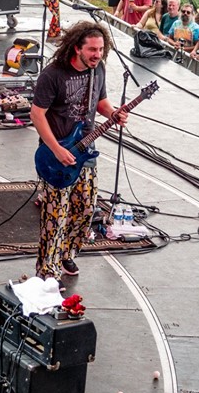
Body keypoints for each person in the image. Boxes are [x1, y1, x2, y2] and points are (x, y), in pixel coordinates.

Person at [31, 22, 127, 283]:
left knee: (86, 209)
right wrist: (57, 148)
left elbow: (101, 102)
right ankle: (46, 271)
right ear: (77, 48)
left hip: (86, 151)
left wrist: (113, 113)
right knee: (55, 215)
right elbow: (36, 115)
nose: (97, 54)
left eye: (101, 49)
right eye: (92, 49)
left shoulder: (98, 71)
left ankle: (66, 252)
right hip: (56, 153)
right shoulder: (53, 75)